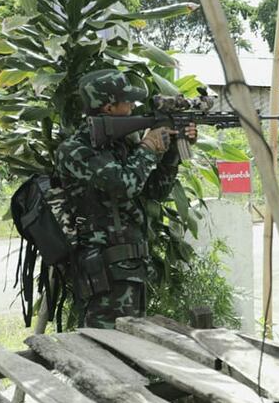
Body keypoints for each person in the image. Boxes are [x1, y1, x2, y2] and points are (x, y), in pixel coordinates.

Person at [56, 69, 197, 328]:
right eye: (128, 102)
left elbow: (155, 191)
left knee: (130, 352)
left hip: (129, 269)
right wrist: (147, 148)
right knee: (106, 355)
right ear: (109, 107)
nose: (133, 106)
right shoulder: (76, 150)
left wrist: (172, 151)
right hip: (103, 271)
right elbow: (124, 186)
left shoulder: (121, 145)